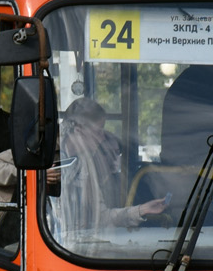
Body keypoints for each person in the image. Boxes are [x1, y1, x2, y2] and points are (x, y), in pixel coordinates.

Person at [56, 98, 167, 231]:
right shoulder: (44, 162)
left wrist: (141, 210)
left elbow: (102, 217)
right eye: (98, 131)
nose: (103, 138)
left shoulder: (86, 166)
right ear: (78, 131)